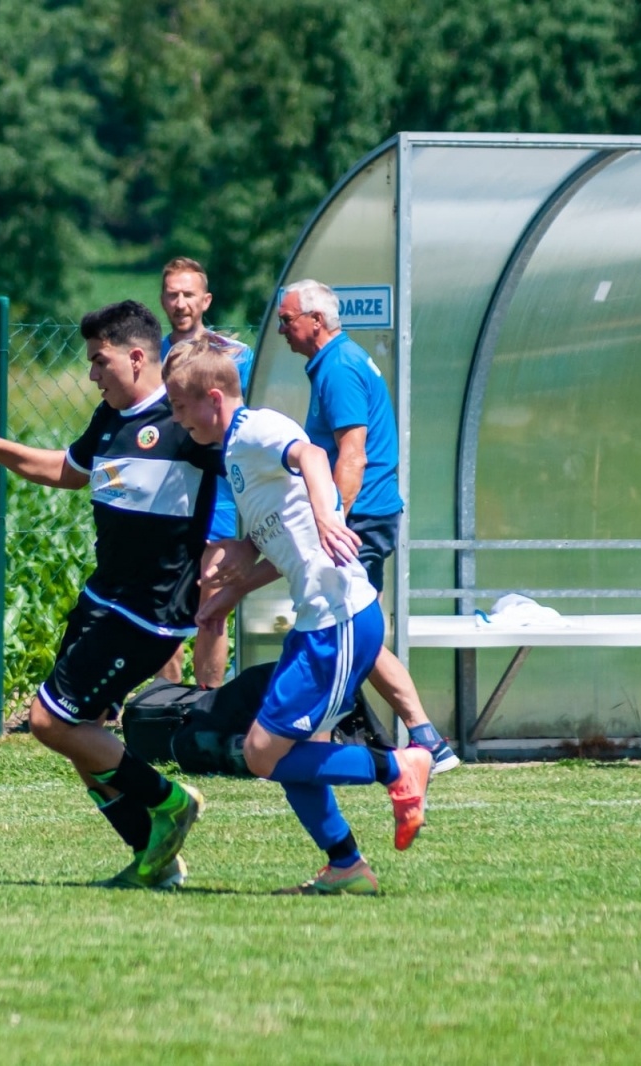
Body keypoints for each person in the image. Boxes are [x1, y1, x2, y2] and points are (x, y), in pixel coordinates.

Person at [0, 300, 217, 889]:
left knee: (49, 722)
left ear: (137, 357)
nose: (92, 374)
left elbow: (251, 470)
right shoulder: (110, 419)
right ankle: (154, 859)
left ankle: (169, 800)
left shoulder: (186, 421)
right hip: (104, 600)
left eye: (100, 361)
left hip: (146, 613)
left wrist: (248, 554)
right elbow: (65, 471)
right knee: (82, 738)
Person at [165, 341, 431, 895]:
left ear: (213, 398)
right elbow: (286, 544)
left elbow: (311, 456)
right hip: (317, 622)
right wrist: (233, 589)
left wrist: (328, 513)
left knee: (263, 754)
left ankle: (397, 768)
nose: (176, 417)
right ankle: (345, 865)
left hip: (339, 619)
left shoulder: (256, 429)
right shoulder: (235, 451)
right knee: (276, 752)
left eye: (180, 405)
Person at [269, 279, 460, 772]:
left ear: (315, 321)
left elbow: (353, 455)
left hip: (360, 518)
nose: (282, 329)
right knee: (356, 626)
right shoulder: (337, 361)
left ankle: (420, 739)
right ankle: (408, 737)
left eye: (287, 320)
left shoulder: (339, 368)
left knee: (353, 626)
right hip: (365, 516)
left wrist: (332, 521)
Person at [156, 257, 253, 688]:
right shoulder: (150, 358)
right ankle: (167, 703)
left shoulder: (234, 356)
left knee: (213, 607)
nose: (180, 303)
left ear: (206, 300)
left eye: (188, 294)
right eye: (172, 294)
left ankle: (207, 702)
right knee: (163, 608)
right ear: (162, 300)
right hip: (166, 498)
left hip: (219, 498)